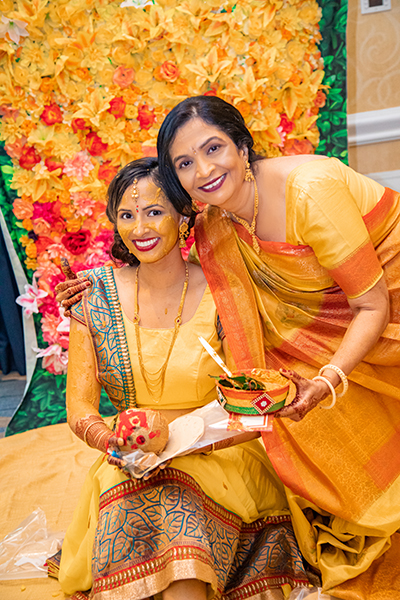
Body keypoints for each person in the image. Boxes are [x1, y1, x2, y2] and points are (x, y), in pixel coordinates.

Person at [153, 96, 400, 597]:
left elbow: (373, 306)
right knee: (282, 380)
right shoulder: (218, 223)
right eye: (184, 162)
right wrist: (96, 288)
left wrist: (327, 378)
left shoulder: (310, 192)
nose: (203, 170)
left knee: (330, 386)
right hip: (346, 316)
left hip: (387, 296)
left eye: (213, 148)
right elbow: (152, 249)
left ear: (243, 147)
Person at [51, 157, 311, 600]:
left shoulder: (225, 292)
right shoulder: (93, 295)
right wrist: (110, 442)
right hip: (132, 458)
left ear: (182, 214)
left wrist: (188, 442)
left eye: (154, 211)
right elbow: (80, 406)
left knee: (179, 506)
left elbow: (252, 405)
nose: (140, 228)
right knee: (135, 496)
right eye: (127, 215)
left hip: (221, 455)